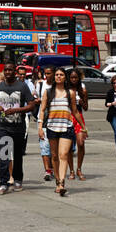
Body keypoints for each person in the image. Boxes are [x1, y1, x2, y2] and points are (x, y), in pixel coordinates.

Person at [0, 62, 36, 194]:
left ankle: (17, 179)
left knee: (17, 155)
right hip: (3, 126)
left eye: (10, 70)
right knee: (3, 155)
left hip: (18, 127)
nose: (8, 72)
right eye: (6, 70)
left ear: (14, 72)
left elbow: (32, 105)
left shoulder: (22, 86)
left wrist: (17, 110)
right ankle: (3, 183)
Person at [38, 67, 77, 197]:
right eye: (57, 75)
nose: (59, 77)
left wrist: (83, 126)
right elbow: (42, 110)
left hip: (66, 126)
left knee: (64, 154)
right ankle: (57, 181)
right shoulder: (48, 92)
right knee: (54, 156)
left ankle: (61, 183)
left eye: (61, 75)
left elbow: (74, 110)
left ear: (65, 77)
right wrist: (39, 127)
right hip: (51, 127)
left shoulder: (70, 92)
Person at [28, 65, 53, 181]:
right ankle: (47, 170)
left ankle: (52, 167)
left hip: (55, 118)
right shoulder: (41, 85)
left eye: (49, 73)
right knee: (44, 146)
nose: (47, 76)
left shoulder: (59, 87)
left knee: (54, 148)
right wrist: (39, 100)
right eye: (46, 73)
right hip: (43, 117)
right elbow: (35, 98)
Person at [66, 66, 89, 179]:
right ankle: (71, 170)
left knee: (80, 143)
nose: (74, 79)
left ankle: (79, 169)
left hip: (79, 117)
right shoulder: (65, 90)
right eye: (72, 77)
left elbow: (86, 108)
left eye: (75, 77)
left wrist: (81, 101)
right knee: (69, 146)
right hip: (68, 117)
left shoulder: (82, 90)